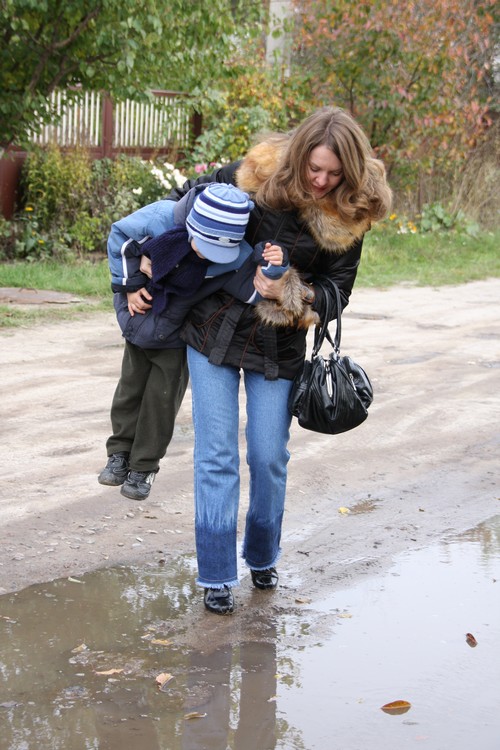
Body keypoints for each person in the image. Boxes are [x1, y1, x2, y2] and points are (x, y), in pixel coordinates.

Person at [168, 106, 392, 614]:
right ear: (299, 156)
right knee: (216, 455)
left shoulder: (352, 213)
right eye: (314, 168)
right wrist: (145, 258)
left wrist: (295, 292)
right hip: (212, 327)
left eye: (334, 173)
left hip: (279, 345)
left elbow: (338, 292)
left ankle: (262, 556)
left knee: (268, 457)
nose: (321, 181)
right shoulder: (256, 172)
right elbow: (184, 203)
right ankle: (217, 574)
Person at [98, 182, 302, 500]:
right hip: (137, 322)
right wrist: (131, 283)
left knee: (160, 402)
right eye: (203, 246)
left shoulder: (233, 258)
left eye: (217, 253)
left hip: (174, 337)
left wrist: (275, 267)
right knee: (128, 393)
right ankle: (118, 454)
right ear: (193, 225)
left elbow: (251, 291)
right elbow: (119, 237)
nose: (207, 256)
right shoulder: (161, 217)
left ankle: (143, 467)